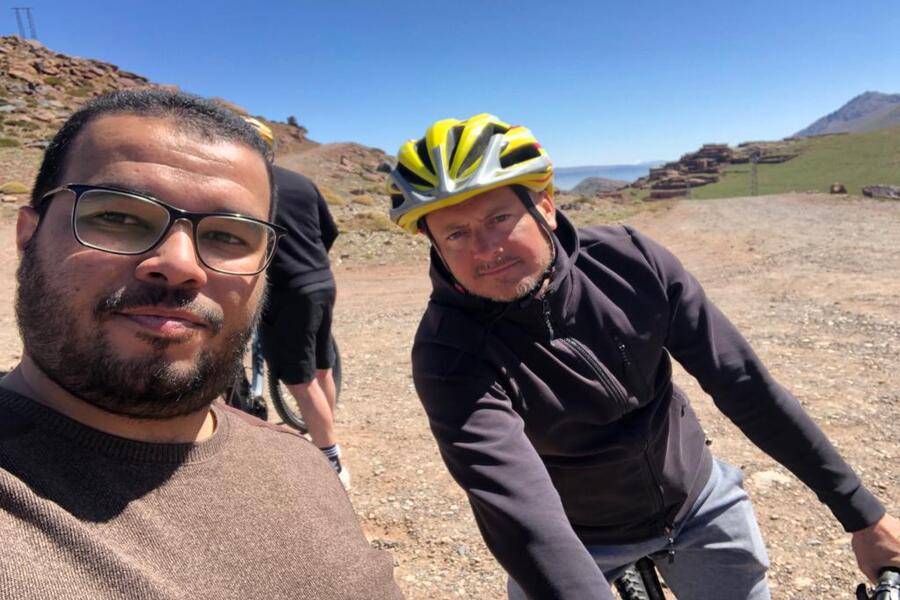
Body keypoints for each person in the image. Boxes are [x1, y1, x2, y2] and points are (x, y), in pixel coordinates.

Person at [386, 113, 900, 599]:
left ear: (544, 206)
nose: (485, 249)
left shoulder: (631, 262)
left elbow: (741, 382)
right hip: (575, 536)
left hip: (693, 499)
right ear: (433, 244)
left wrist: (864, 517)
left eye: (499, 218)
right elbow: (520, 511)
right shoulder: (447, 353)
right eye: (456, 233)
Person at [0, 89, 402, 599]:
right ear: (28, 234)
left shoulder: (300, 464)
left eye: (230, 236)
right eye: (118, 217)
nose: (180, 264)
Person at [242, 117, 348, 489]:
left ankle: (331, 460)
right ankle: (325, 431)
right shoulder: (302, 183)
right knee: (321, 369)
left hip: (286, 291)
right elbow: (329, 231)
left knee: (299, 381)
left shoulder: (249, 185)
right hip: (322, 281)